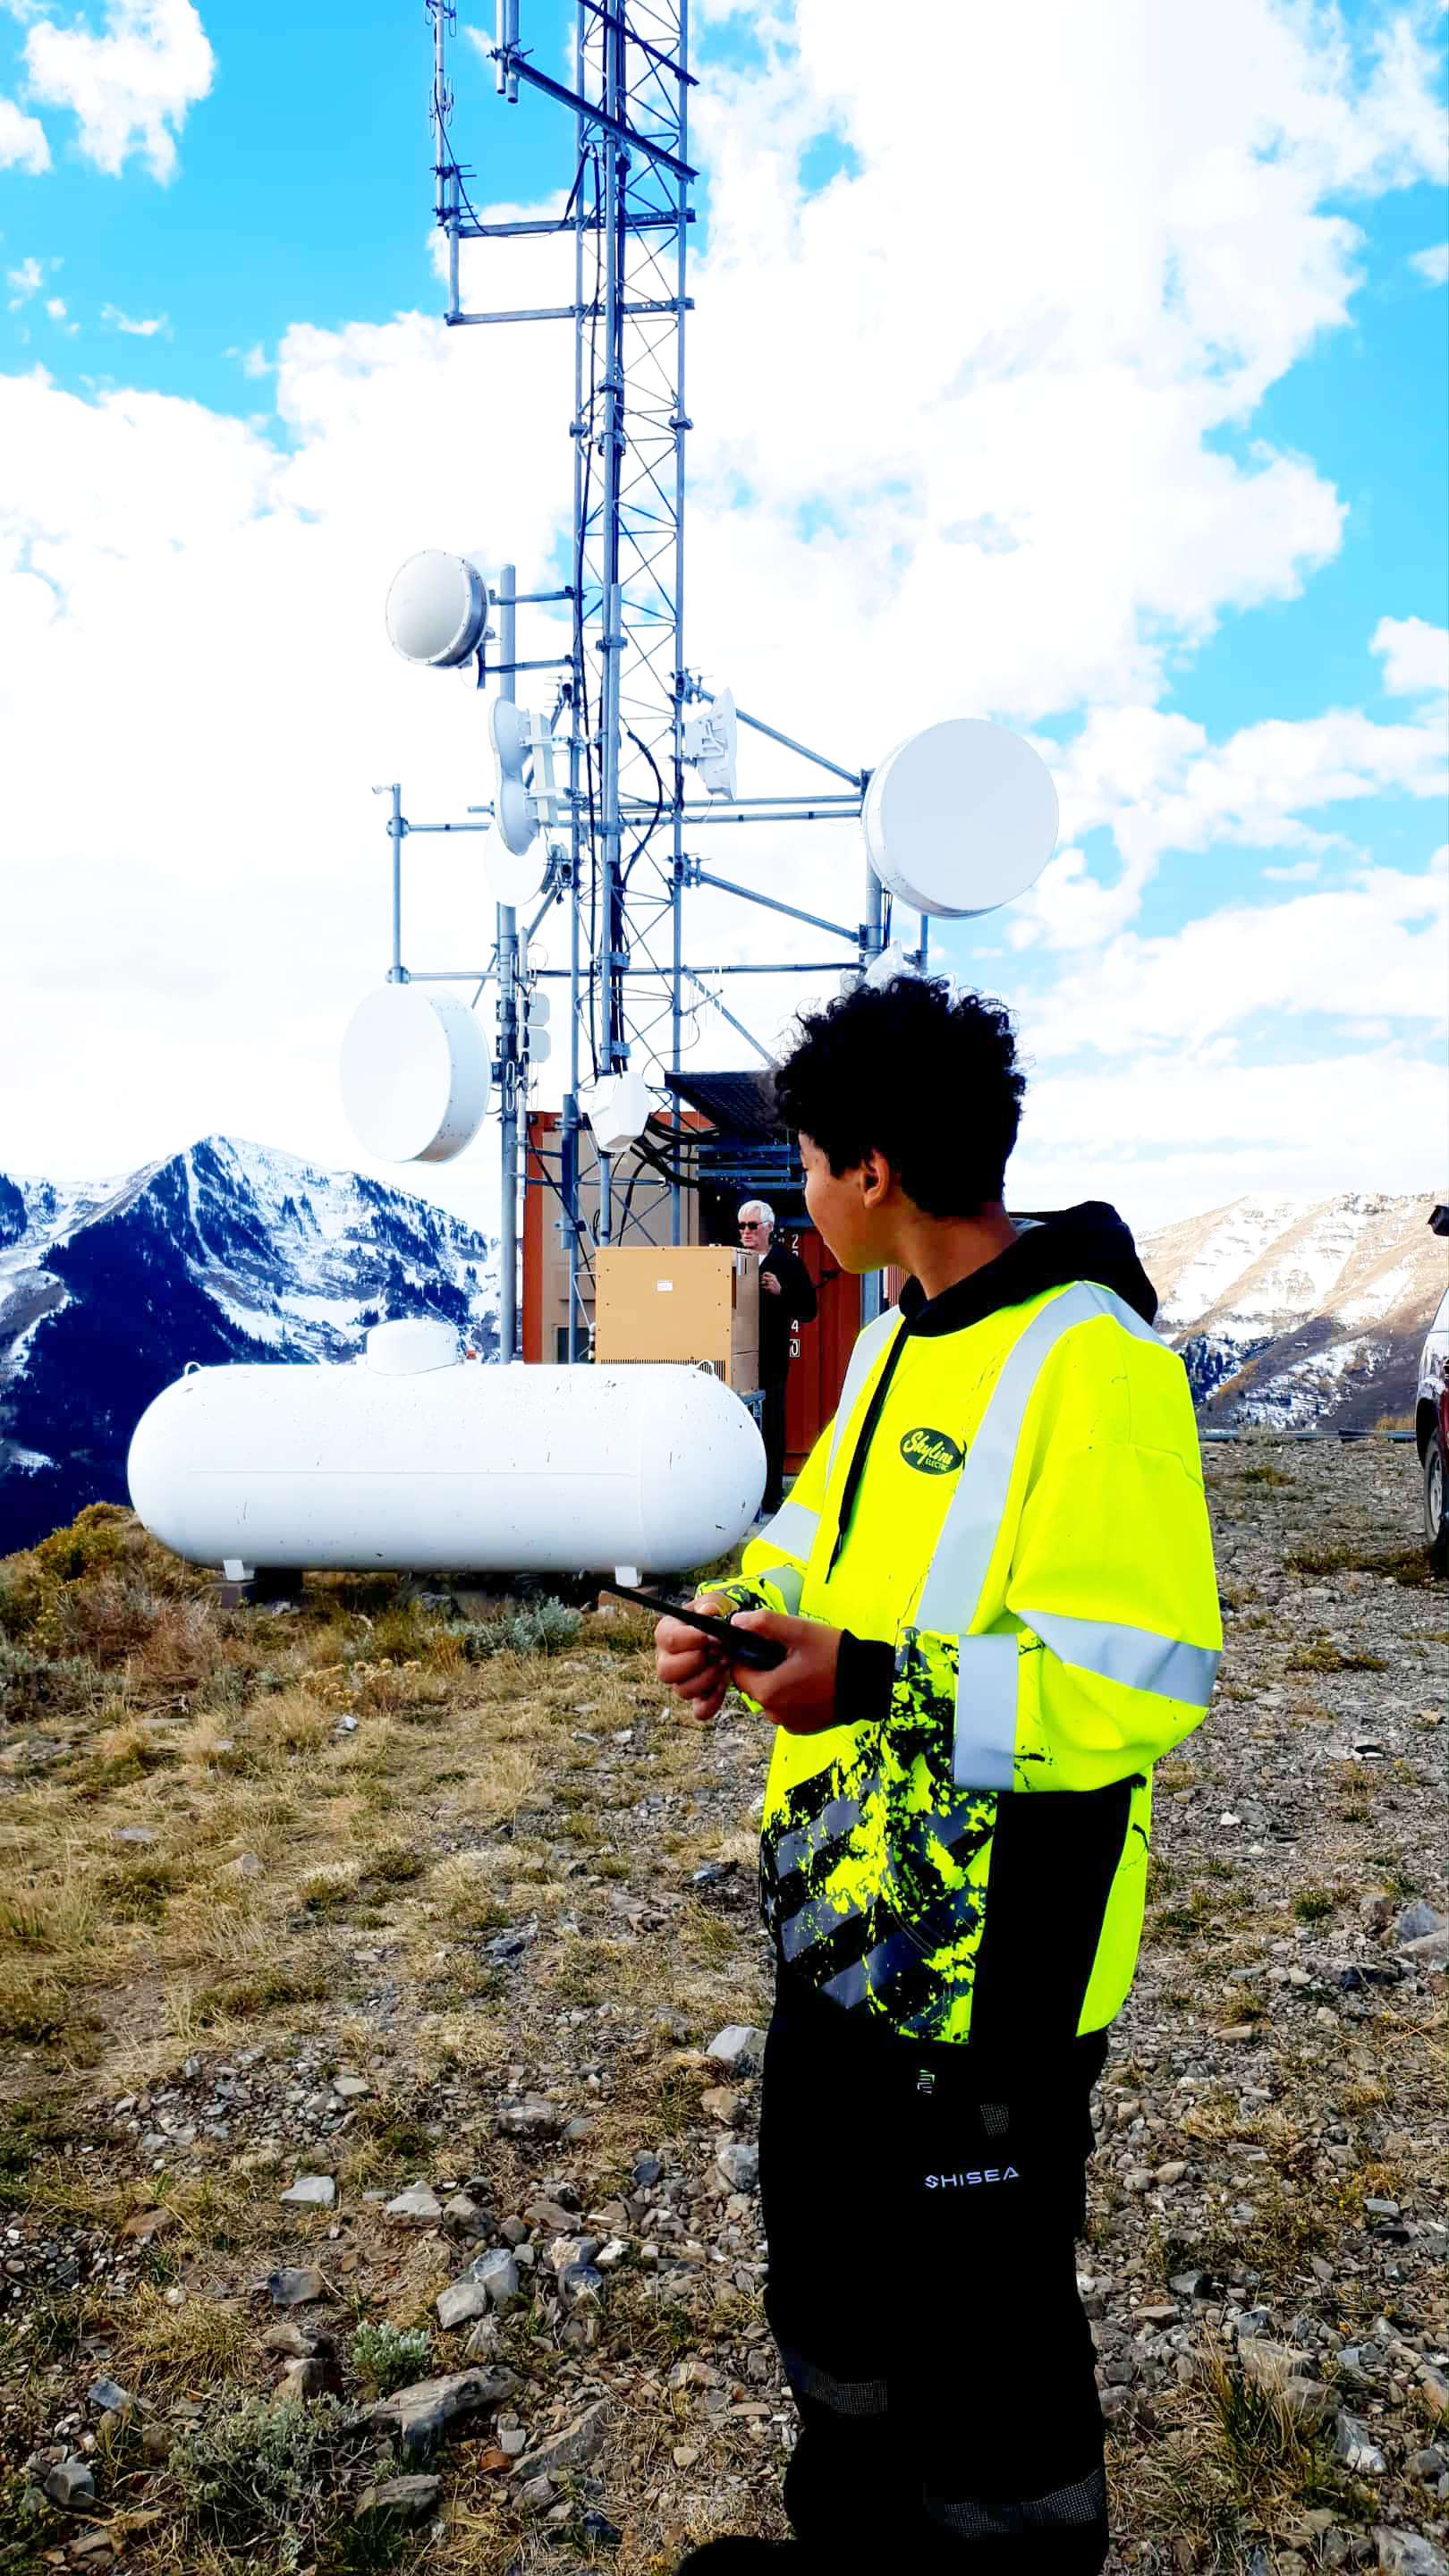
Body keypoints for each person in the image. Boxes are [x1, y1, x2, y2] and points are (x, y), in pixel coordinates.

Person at [656, 977, 1221, 2574]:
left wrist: (877, 1678)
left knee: (985, 2330)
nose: (803, 1195)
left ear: (876, 1173)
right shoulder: (906, 1339)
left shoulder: (1096, 1367)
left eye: (810, 1162)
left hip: (996, 1967)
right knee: (833, 2282)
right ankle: (852, 2548)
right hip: (846, 1932)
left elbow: (1143, 1678)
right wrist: (745, 1621)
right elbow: (816, 1539)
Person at [737, 1199, 818, 1519]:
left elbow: (809, 1310)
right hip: (737, 1359)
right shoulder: (734, 1260)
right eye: (741, 1226)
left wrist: (782, 1293)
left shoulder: (787, 1262)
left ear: (769, 1228)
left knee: (771, 1426)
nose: (746, 1232)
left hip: (770, 1358)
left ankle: (771, 1497)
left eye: (752, 1226)